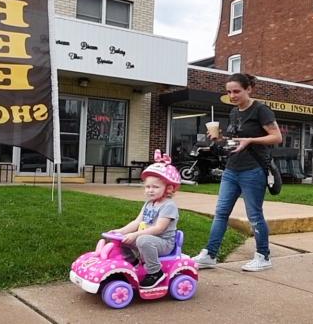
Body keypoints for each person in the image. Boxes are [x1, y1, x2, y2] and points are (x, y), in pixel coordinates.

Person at [193, 73, 283, 272]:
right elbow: (235, 142)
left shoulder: (261, 110)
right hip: (232, 169)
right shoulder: (234, 113)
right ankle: (210, 254)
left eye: (236, 91)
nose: (232, 95)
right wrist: (219, 139)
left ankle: (263, 256)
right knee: (221, 213)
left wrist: (251, 140)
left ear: (249, 89)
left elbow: (276, 137)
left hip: (253, 170)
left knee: (254, 215)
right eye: (228, 92)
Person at [112, 150, 181, 289]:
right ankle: (134, 262)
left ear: (168, 189)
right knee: (122, 239)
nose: (150, 190)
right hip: (147, 239)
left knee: (141, 240)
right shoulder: (149, 204)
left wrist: (136, 235)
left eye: (155, 187)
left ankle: (156, 272)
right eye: (148, 187)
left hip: (164, 243)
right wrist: (120, 232)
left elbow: (159, 228)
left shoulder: (169, 206)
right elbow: (137, 222)